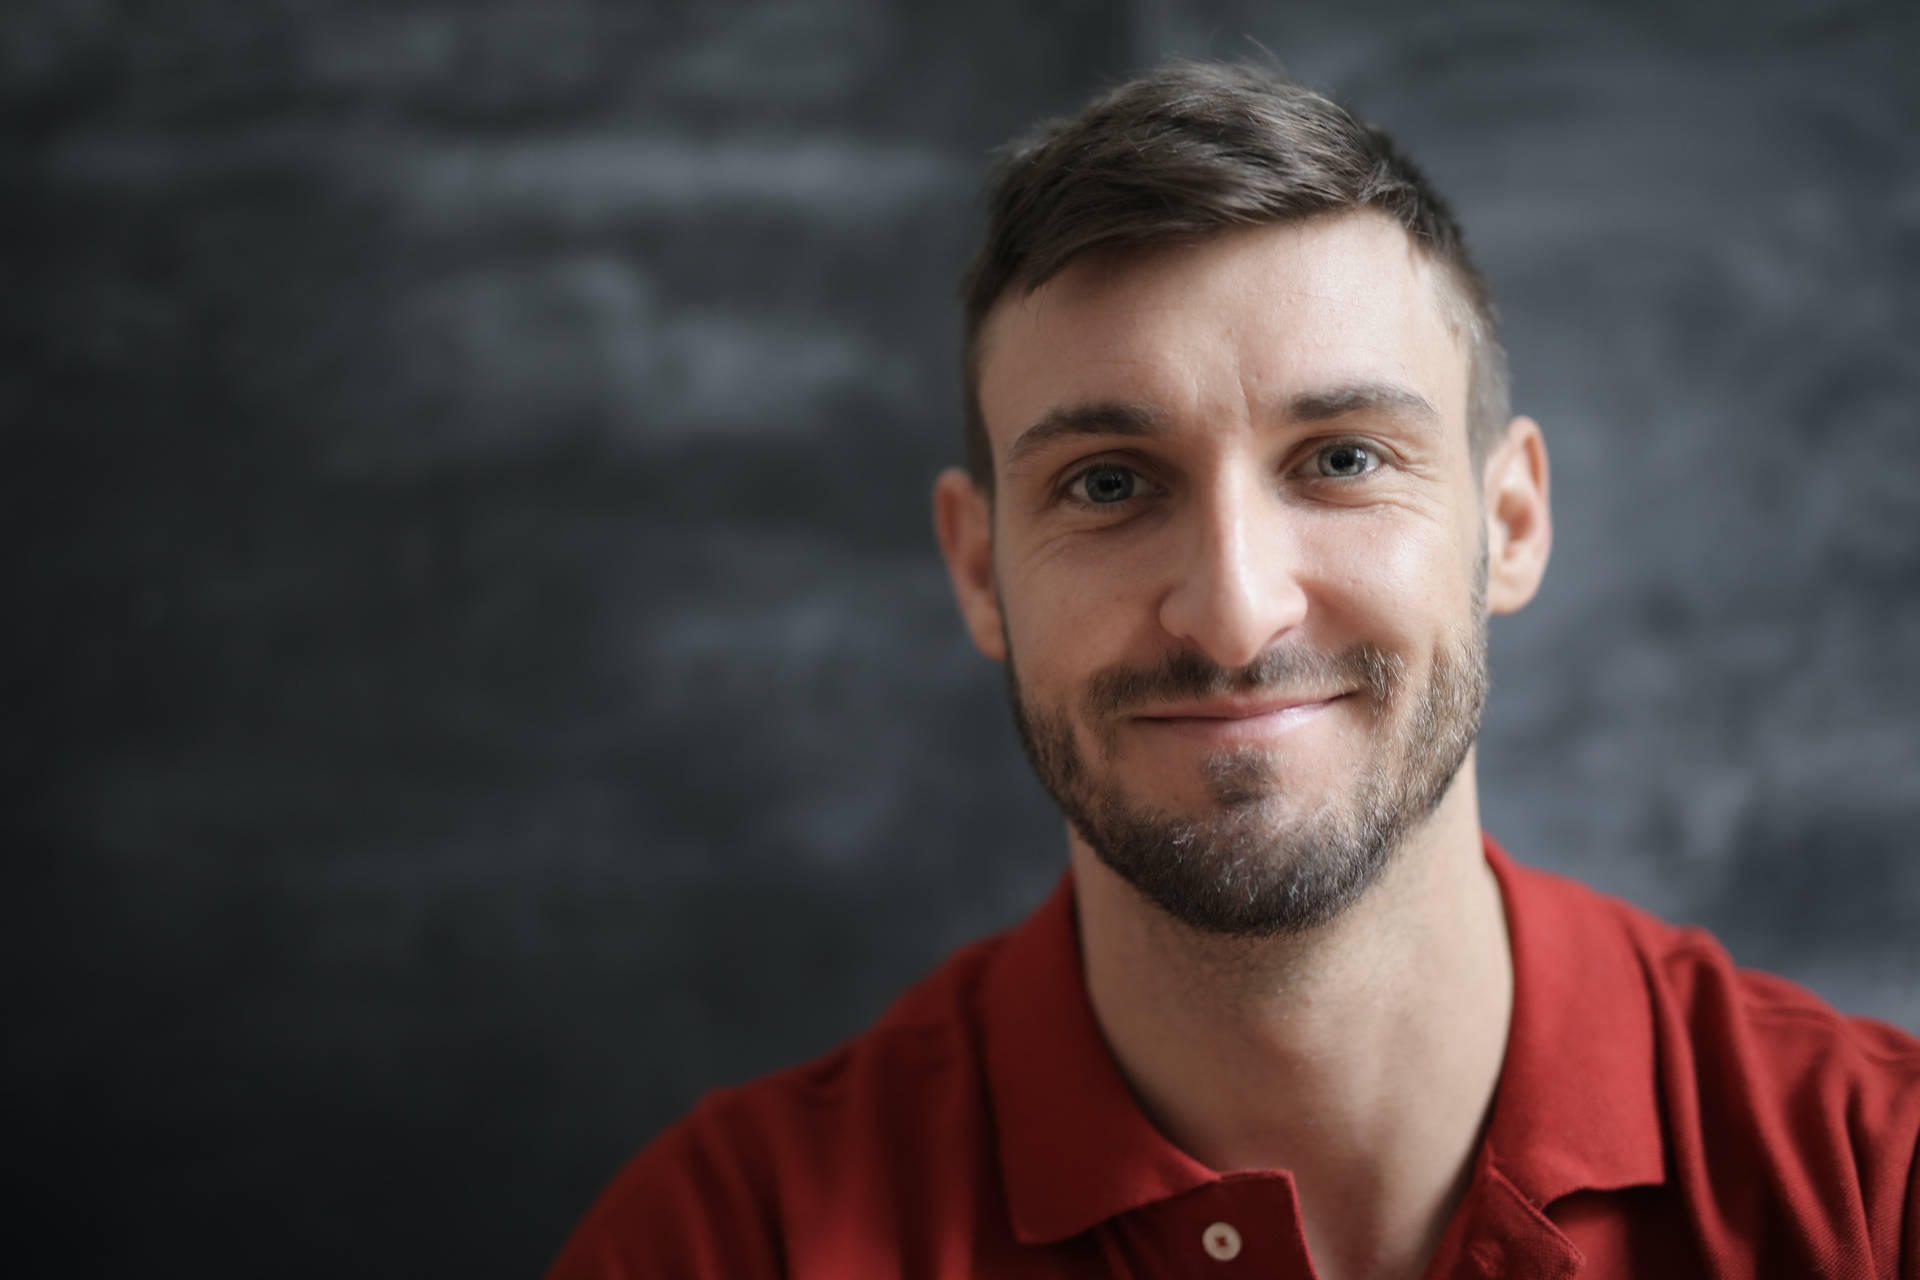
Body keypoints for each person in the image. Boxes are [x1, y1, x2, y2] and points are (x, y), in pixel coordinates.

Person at [548, 62, 1920, 1279]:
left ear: (1509, 525)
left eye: (1340, 459)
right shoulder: (730, 1242)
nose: (1232, 613)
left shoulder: (1879, 1185)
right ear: (979, 571)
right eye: (1106, 482)